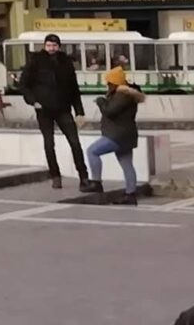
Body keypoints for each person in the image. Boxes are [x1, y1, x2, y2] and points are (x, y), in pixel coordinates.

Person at [18, 33, 88, 189]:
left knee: (75, 143)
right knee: (49, 144)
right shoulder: (35, 61)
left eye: (54, 46)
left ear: (59, 47)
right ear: (44, 46)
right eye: (49, 45)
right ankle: (55, 175)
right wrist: (33, 101)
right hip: (43, 109)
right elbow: (23, 84)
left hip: (63, 108)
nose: (51, 48)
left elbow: (74, 89)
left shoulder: (66, 62)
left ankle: (84, 176)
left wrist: (79, 111)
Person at [84, 75, 144, 200]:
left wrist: (101, 102)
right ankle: (130, 194)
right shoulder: (127, 94)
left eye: (109, 83)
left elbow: (110, 111)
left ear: (114, 83)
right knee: (127, 164)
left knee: (92, 151)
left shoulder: (122, 95)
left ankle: (96, 182)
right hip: (126, 135)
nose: (107, 86)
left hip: (117, 135)